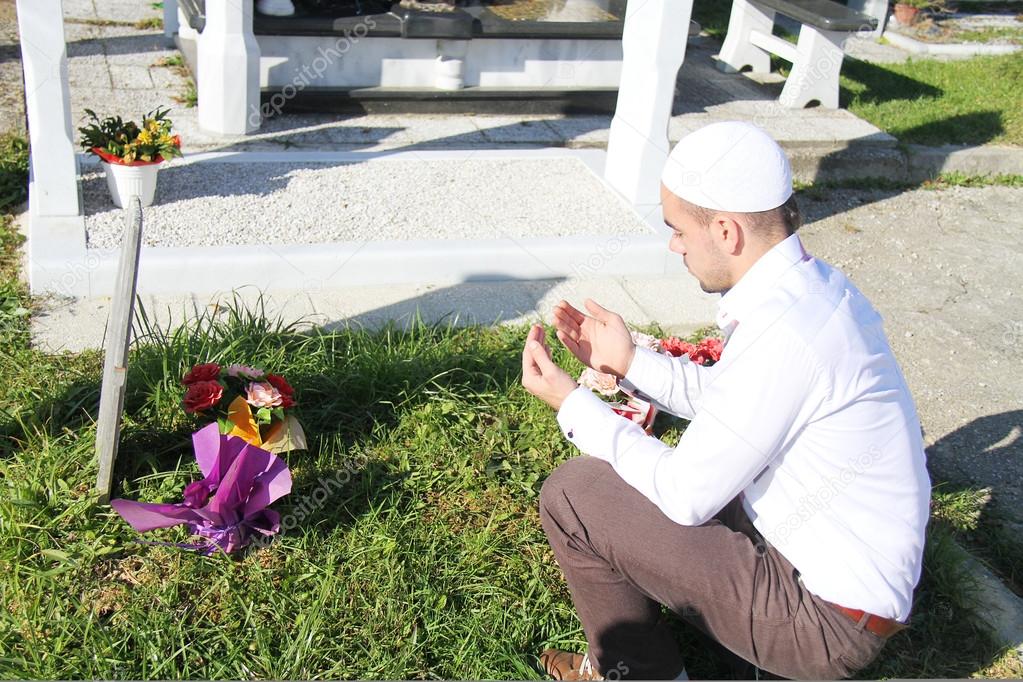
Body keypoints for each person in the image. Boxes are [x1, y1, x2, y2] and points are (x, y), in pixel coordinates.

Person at [520, 121, 931, 680]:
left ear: (726, 231)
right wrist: (628, 361)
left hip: (826, 625)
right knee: (630, 485)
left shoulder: (789, 331)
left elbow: (686, 495)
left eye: (678, 230)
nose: (673, 245)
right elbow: (730, 400)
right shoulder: (810, 291)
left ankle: (644, 675)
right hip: (823, 574)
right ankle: (736, 660)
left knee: (575, 494)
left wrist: (572, 404)